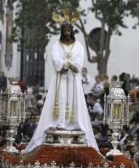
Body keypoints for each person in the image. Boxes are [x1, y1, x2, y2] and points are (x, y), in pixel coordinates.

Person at [24, 9, 99, 153]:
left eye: (69, 30)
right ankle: (59, 122)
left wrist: (71, 65)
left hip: (73, 78)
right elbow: (55, 58)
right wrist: (65, 65)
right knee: (61, 97)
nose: (67, 33)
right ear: (62, 31)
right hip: (60, 78)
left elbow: (79, 61)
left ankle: (73, 123)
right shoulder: (56, 45)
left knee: (74, 100)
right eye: (64, 30)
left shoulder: (78, 46)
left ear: (72, 31)